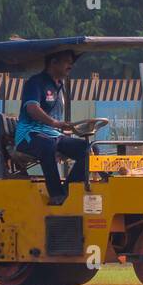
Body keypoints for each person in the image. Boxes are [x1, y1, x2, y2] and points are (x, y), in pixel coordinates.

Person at [14, 50, 89, 206]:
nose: (71, 65)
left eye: (72, 62)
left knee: (88, 149)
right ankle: (56, 195)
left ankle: (68, 191)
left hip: (53, 135)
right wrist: (55, 123)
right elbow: (32, 109)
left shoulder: (59, 85)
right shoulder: (35, 83)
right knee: (47, 145)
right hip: (30, 135)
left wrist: (62, 129)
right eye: (67, 61)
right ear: (53, 62)